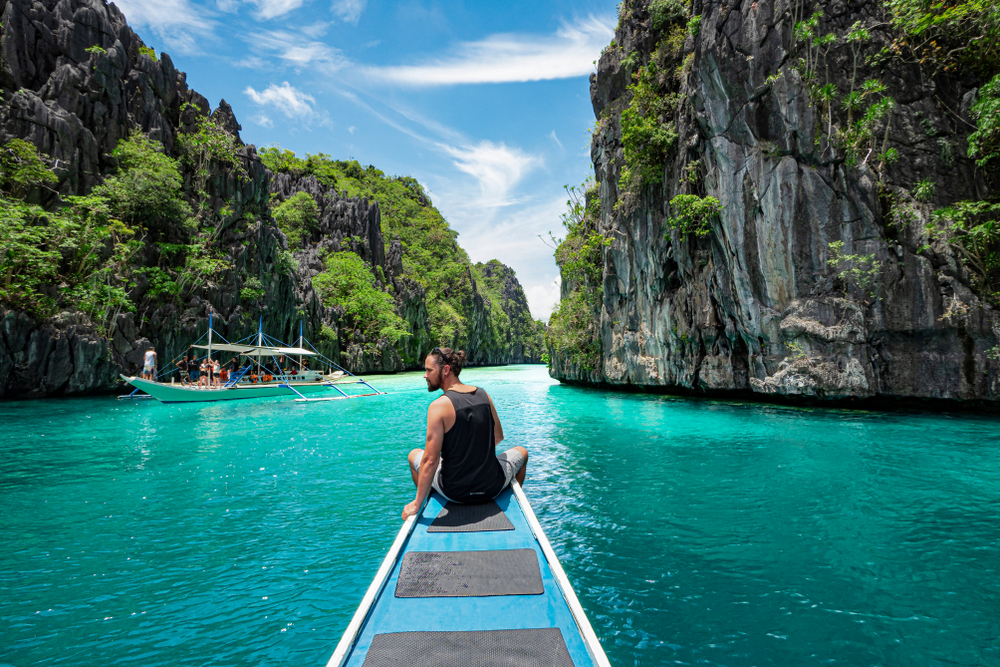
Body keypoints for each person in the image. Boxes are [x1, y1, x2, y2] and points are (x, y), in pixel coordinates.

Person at [403, 347, 528, 520]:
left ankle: (424, 499)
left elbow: (431, 460)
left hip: (454, 492)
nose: (425, 375)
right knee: (522, 452)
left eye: (429, 370)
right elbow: (497, 437)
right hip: (491, 487)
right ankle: (511, 501)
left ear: (445, 370)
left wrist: (415, 504)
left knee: (413, 455)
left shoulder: (438, 406)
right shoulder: (484, 395)